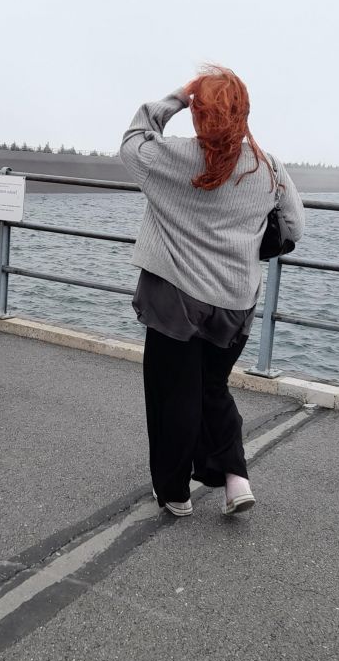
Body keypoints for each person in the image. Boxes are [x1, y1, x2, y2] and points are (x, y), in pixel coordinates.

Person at [118, 67, 304, 518]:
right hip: (234, 303)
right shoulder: (268, 166)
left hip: (176, 300)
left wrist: (177, 97)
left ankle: (175, 493)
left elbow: (132, 139)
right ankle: (235, 477)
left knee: (172, 396)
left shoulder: (170, 157)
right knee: (212, 389)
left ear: (197, 113)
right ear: (244, 113)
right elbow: (294, 227)